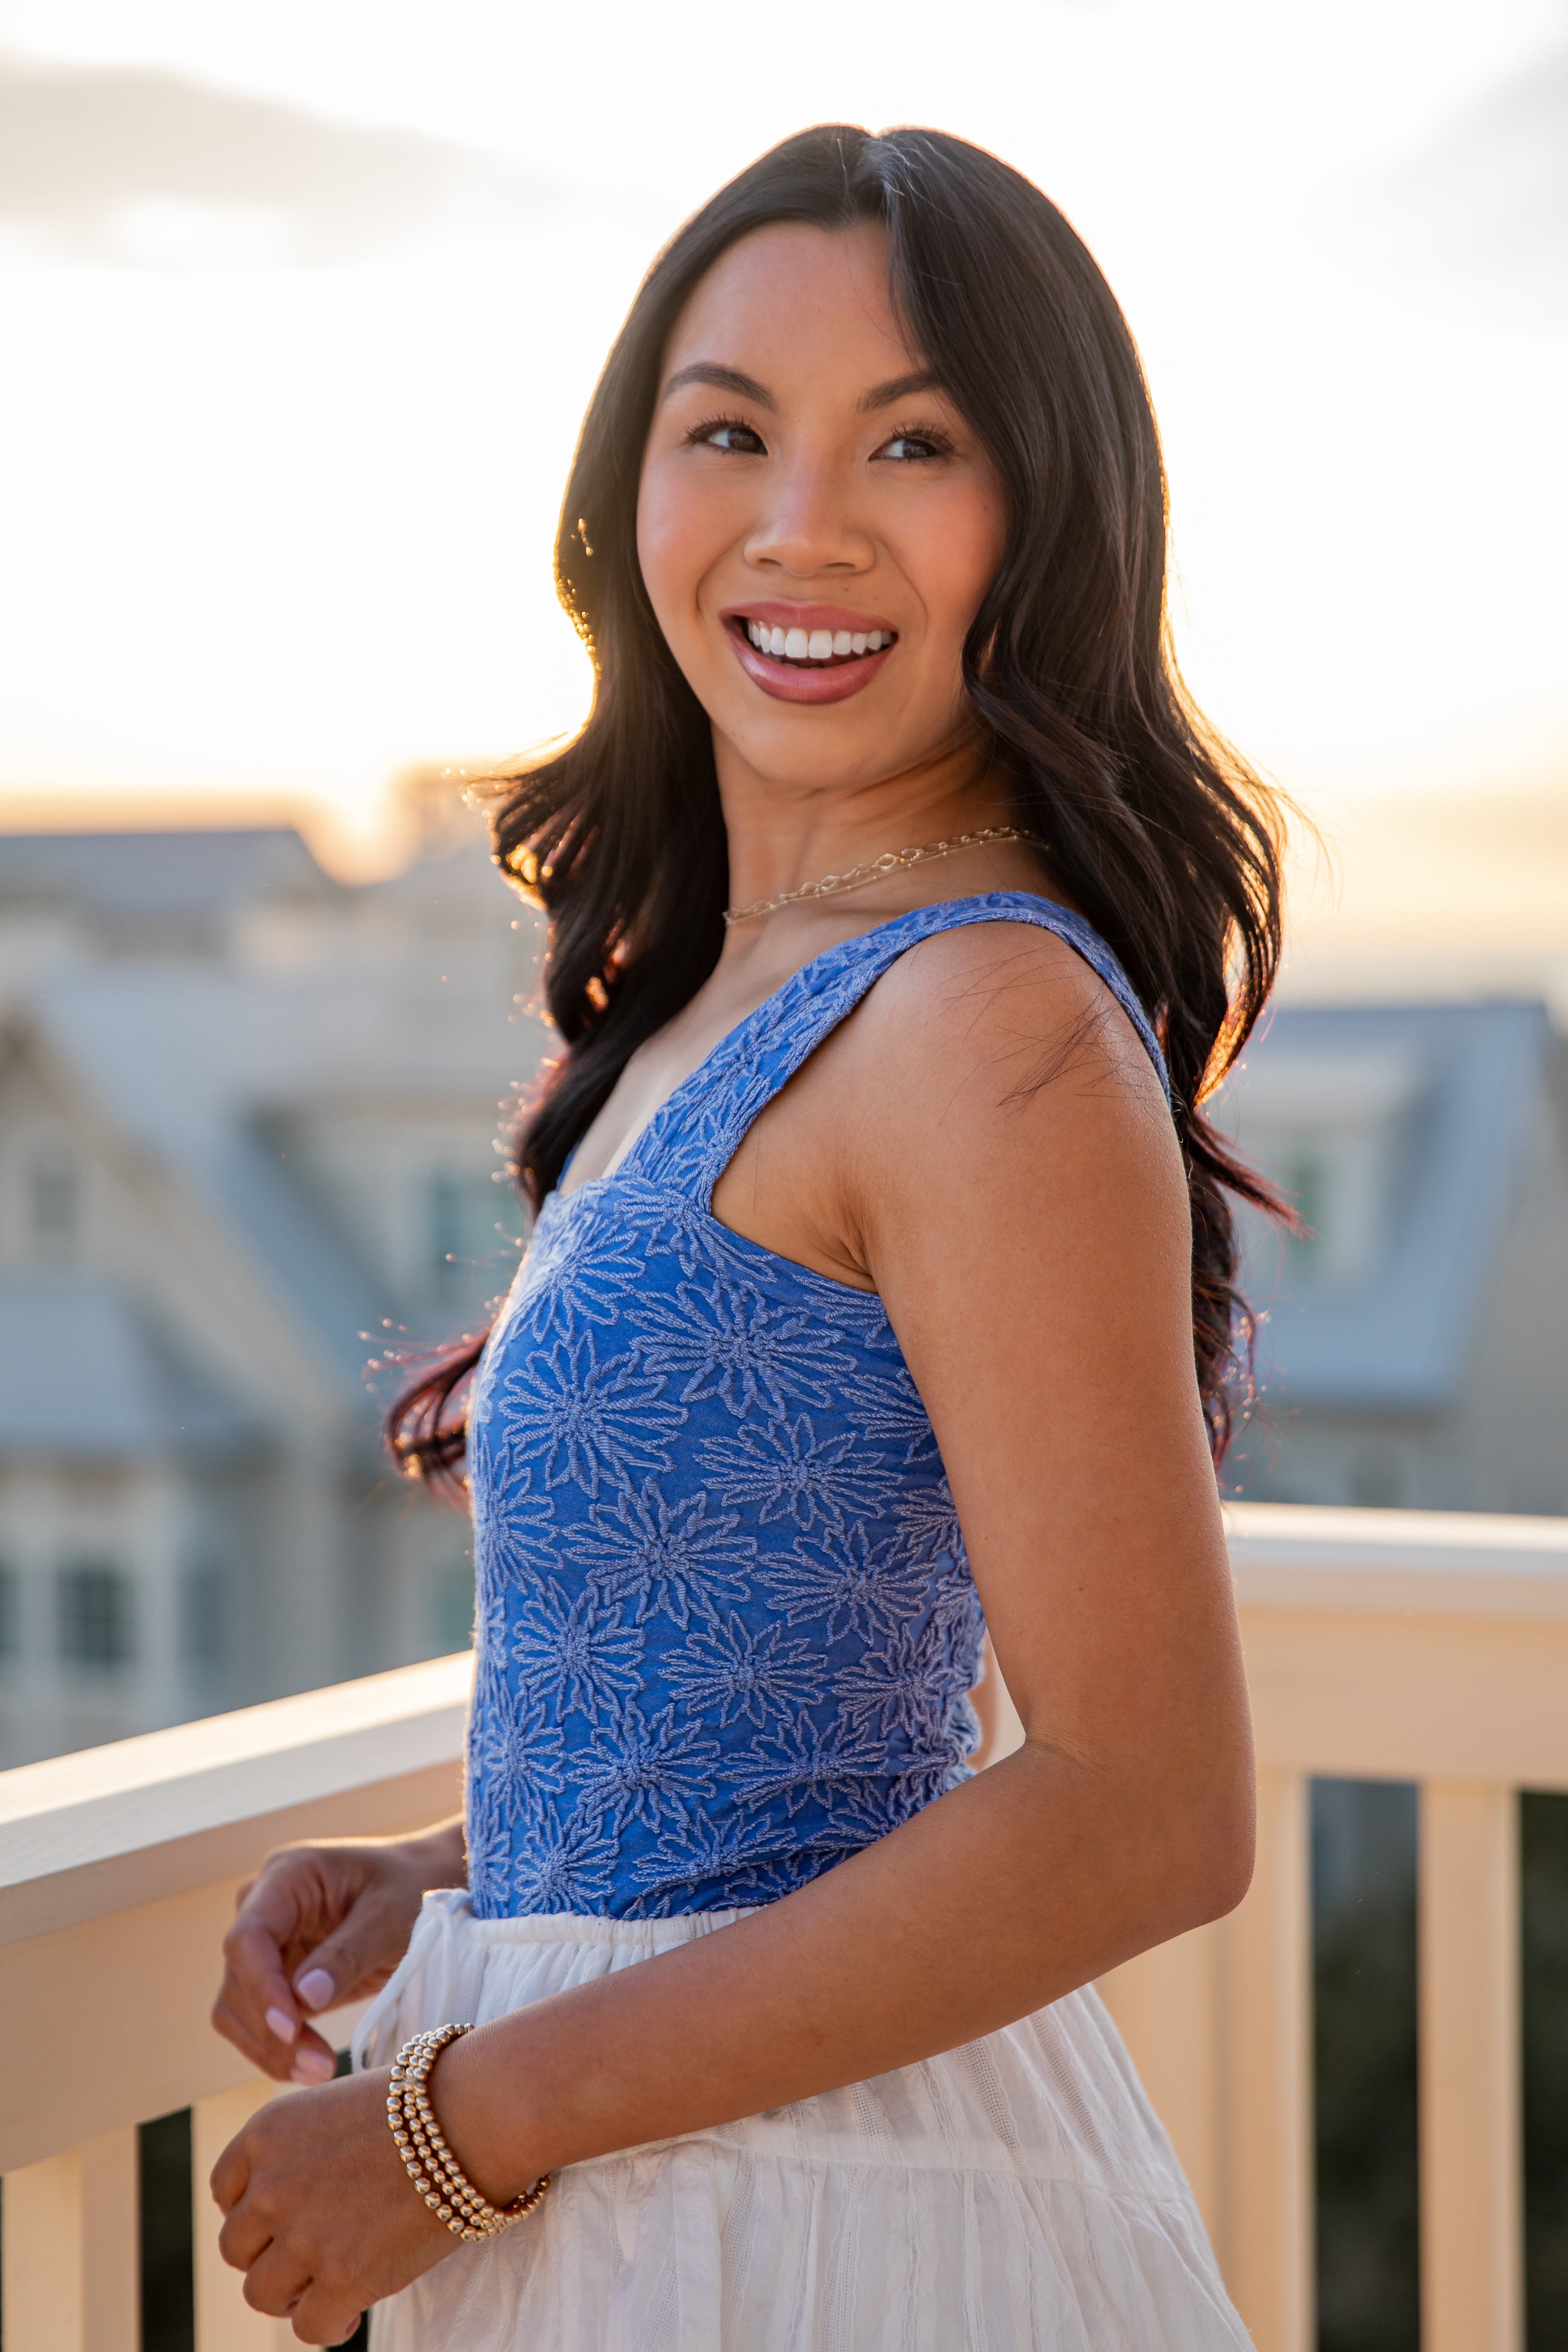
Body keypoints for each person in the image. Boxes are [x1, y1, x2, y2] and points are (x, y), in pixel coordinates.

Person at [208, 123, 1288, 2349]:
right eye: (730, 433)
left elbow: (1144, 1808)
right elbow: (811, 1727)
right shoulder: (732, 990)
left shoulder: (979, 1017)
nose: (804, 522)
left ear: (1046, 514)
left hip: (799, 2229)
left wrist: (454, 2124)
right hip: (651, 2164)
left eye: (915, 441)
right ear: (627, 495)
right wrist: (456, 1879)